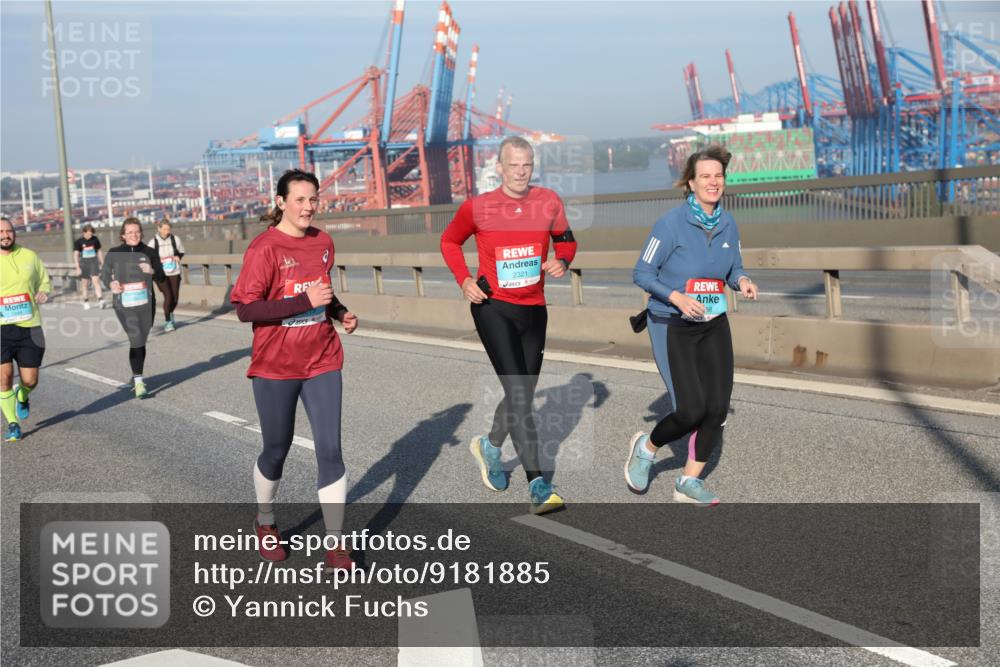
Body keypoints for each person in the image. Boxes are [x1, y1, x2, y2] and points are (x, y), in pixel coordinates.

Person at [440, 135, 577, 515]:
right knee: (519, 394)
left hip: (534, 309)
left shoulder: (548, 201)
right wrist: (464, 279)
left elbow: (566, 241)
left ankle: (490, 446)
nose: (520, 172)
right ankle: (538, 483)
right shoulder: (478, 207)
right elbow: (450, 242)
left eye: (527, 165)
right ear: (498, 168)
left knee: (523, 393)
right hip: (493, 307)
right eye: (513, 165)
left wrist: (562, 261)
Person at [230, 169, 359, 571]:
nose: (308, 207)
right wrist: (303, 301)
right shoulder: (264, 249)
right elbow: (246, 308)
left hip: (322, 358)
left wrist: (339, 312)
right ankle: (265, 521)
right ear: (281, 202)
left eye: (313, 199)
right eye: (299, 199)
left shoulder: (323, 242)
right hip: (275, 366)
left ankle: (336, 545)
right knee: (276, 448)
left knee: (331, 450)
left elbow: (321, 290)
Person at [625, 145, 758, 505]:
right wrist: (676, 297)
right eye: (705, 177)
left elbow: (733, 267)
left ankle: (688, 481)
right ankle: (646, 448)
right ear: (691, 183)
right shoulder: (670, 224)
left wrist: (742, 281)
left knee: (716, 409)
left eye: (718, 176)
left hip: (713, 322)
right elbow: (642, 272)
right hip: (672, 322)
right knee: (690, 410)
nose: (713, 182)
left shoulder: (728, 222)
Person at [101, 218, 165, 399]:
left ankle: (136, 373)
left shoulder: (150, 252)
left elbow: (161, 277)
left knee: (140, 340)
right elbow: (104, 274)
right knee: (136, 336)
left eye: (137, 232)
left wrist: (151, 270)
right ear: (123, 235)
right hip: (124, 304)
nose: (134, 235)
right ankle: (139, 382)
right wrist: (111, 283)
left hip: (146, 304)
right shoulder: (114, 253)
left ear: (141, 233)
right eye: (130, 232)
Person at [0, 217, 51, 442]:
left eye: (8, 231)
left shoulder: (29, 256)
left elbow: (44, 280)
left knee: (30, 380)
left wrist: (44, 291)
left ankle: (22, 394)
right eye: (1, 231)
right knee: (4, 377)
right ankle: (12, 423)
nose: (5, 235)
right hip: (1, 329)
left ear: (14, 233)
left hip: (29, 326)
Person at [147, 218, 186, 331]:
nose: (167, 232)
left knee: (175, 298)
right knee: (168, 296)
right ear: (159, 228)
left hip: (174, 271)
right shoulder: (153, 242)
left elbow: (181, 251)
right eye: (164, 229)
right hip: (160, 273)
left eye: (168, 229)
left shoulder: (175, 239)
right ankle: (168, 321)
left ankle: (169, 312)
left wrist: (178, 256)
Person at [73, 223, 105, 309]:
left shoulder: (95, 240)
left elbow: (99, 252)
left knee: (96, 282)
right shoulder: (79, 242)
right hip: (84, 264)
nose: (90, 235)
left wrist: (102, 263)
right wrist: (77, 267)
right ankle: (86, 301)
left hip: (94, 262)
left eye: (91, 233)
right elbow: (76, 255)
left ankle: (101, 300)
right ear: (84, 232)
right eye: (88, 233)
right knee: (85, 284)